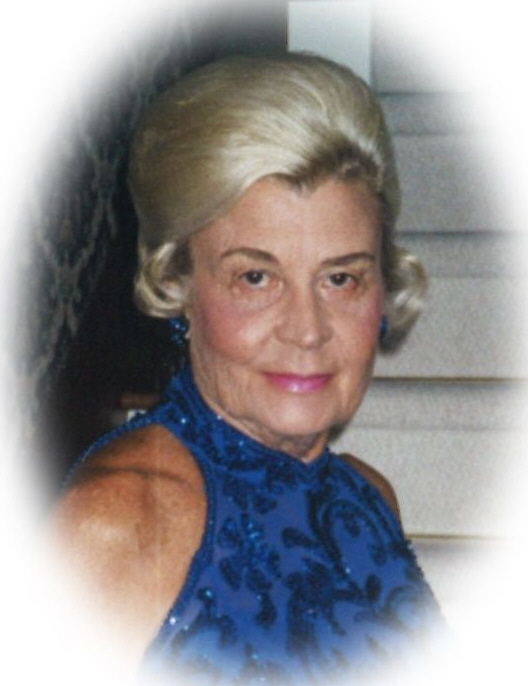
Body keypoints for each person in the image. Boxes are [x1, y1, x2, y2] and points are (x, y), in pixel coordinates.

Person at [51, 53, 443, 685]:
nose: (307, 330)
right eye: (256, 277)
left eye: (341, 279)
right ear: (177, 284)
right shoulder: (116, 523)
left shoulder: (369, 501)